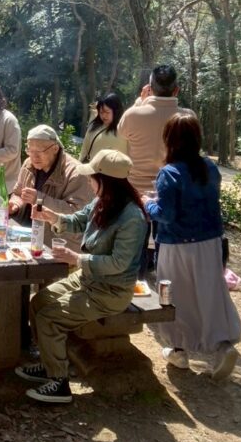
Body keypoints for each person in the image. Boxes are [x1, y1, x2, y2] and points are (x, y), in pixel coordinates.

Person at [14, 150, 147, 404]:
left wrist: (76, 259)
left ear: (107, 180)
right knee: (39, 302)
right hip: (88, 279)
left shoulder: (132, 218)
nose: (89, 181)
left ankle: (59, 383)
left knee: (50, 317)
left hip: (110, 291)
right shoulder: (102, 201)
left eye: (92, 177)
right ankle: (49, 363)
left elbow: (118, 263)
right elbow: (77, 220)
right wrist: (52, 216)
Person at [143, 112, 241, 380]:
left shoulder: (169, 173)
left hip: (177, 245)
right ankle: (222, 346)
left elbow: (166, 215)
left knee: (174, 298)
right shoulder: (209, 168)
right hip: (210, 243)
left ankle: (178, 350)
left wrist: (147, 203)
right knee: (210, 296)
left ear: (169, 139)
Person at [8, 124, 92, 251]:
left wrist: (39, 199)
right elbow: (18, 193)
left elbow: (77, 214)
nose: (34, 157)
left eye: (39, 151)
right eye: (30, 150)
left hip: (55, 245)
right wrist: (15, 204)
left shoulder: (77, 173)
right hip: (25, 237)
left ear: (55, 149)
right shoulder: (28, 164)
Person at [117, 65, 192, 197]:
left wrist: (140, 102)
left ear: (149, 89)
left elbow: (120, 133)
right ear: (176, 90)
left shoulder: (132, 115)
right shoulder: (188, 117)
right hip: (172, 194)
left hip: (135, 193)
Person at [79, 92, 128, 164]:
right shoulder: (94, 126)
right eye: (101, 112)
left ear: (116, 111)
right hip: (92, 169)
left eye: (107, 112)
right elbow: (84, 149)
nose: (104, 115)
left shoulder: (125, 129)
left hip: (115, 170)